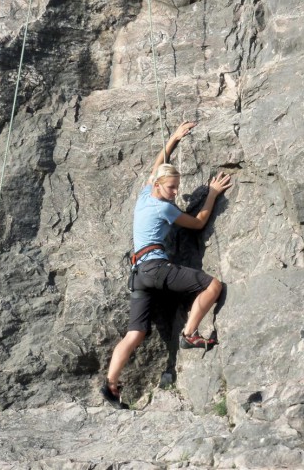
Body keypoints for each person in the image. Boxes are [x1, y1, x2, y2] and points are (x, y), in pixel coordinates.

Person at [101, 120, 232, 409]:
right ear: (161, 186)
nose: (175, 192)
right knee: (213, 285)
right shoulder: (164, 207)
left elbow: (157, 166)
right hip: (156, 269)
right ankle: (190, 334)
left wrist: (173, 139)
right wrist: (211, 193)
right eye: (172, 187)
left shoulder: (147, 193)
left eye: (177, 188)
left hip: (139, 275)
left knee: (136, 333)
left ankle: (111, 384)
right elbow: (197, 223)